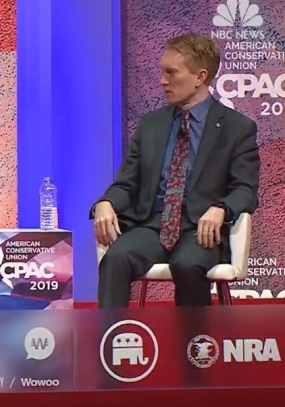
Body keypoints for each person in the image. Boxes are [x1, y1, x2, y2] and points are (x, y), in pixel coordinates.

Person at [92, 34, 260, 308]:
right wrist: (106, 202)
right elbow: (126, 183)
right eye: (162, 72)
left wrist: (221, 208)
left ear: (200, 77)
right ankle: (111, 334)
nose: (163, 81)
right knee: (116, 258)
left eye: (171, 73)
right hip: (153, 225)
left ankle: (195, 336)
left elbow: (245, 189)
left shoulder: (237, 128)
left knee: (188, 263)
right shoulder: (152, 125)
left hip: (201, 229)